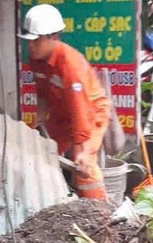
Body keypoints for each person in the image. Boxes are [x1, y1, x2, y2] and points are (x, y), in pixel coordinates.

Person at [19, 4, 111, 200]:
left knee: (83, 167)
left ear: (53, 37)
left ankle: (99, 213)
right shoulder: (36, 59)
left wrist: (84, 149)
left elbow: (81, 111)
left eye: (36, 41)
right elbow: (42, 94)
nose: (30, 45)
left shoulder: (71, 65)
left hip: (90, 114)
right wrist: (39, 124)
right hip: (62, 114)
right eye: (28, 41)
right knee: (45, 153)